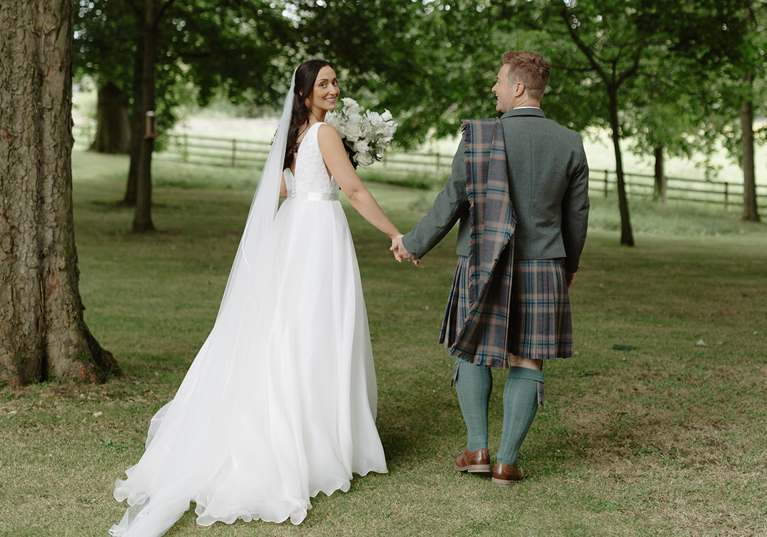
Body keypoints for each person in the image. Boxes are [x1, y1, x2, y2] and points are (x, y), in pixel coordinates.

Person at [110, 59, 405, 536]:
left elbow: (286, 186)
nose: (332, 89)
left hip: (295, 232)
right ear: (305, 92)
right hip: (318, 236)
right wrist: (395, 233)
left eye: (335, 83)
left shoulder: (296, 135)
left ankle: (304, 430)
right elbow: (350, 188)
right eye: (323, 84)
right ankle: (314, 441)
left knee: (290, 331)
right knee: (316, 331)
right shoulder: (325, 135)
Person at [391, 50, 589, 485]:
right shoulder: (569, 142)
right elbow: (577, 216)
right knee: (527, 358)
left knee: (471, 346)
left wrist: (413, 243)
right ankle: (506, 461)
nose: (493, 88)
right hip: (543, 265)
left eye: (499, 80)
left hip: (482, 259)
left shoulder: (479, 136)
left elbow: (452, 199)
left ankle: (477, 448)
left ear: (518, 87)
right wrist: (568, 266)